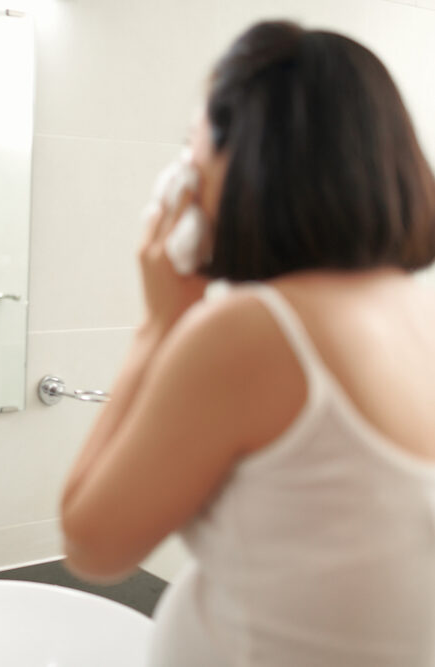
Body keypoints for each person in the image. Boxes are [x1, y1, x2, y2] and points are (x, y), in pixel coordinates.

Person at [60, 21, 435, 667]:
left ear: (242, 157)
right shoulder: (411, 308)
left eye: (191, 148)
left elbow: (92, 544)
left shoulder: (254, 331)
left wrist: (160, 322)